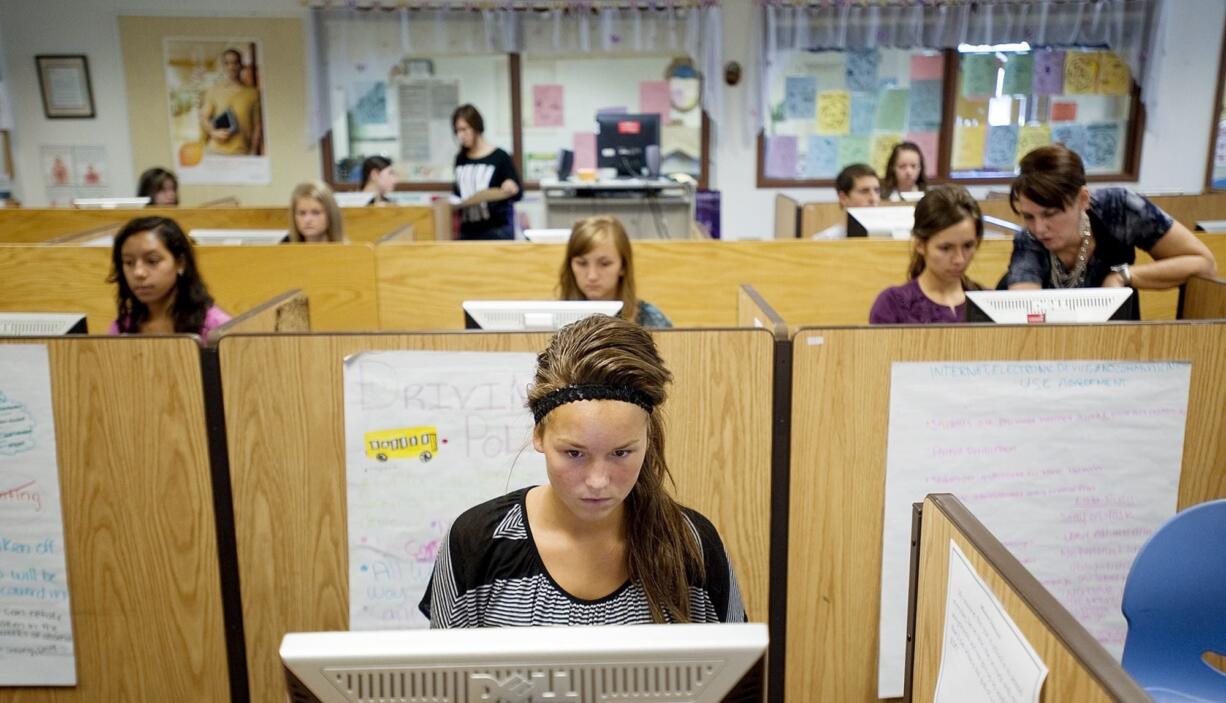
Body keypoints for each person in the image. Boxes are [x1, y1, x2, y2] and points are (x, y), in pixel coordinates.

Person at [419, 314, 746, 627]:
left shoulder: (692, 545)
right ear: (539, 435)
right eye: (574, 453)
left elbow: (740, 679)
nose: (598, 481)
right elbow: (444, 680)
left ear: (648, 440)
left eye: (621, 453)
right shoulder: (476, 543)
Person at [1004, 144, 1216, 292]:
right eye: (1029, 217)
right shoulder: (1028, 239)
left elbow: (1203, 264)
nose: (1039, 228)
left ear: (1083, 199)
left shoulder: (1119, 208)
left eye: (1051, 214)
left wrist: (1122, 276)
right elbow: (1023, 305)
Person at [869, 185, 984, 324]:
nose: (959, 259)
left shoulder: (988, 303)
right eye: (946, 248)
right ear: (920, 245)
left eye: (968, 246)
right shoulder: (892, 305)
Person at [107, 216, 230, 343]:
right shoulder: (122, 328)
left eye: (152, 261)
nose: (138, 272)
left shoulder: (215, 328)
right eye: (129, 262)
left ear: (180, 262)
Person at [558, 215, 672, 328]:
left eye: (605, 264)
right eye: (582, 263)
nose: (592, 276)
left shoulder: (652, 321)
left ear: (623, 266)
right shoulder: (553, 318)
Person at [451, 104, 522, 240]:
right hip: (467, 231)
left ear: (476, 127)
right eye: (457, 131)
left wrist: (510, 185)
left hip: (496, 231)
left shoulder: (500, 156)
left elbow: (518, 193)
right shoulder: (460, 158)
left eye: (464, 129)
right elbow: (457, 192)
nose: (461, 135)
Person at [199, 48, 263, 156]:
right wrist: (213, 132)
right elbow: (204, 118)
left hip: (242, 152)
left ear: (241, 65)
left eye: (235, 63)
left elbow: (257, 126)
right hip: (216, 151)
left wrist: (253, 151)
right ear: (223, 67)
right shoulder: (213, 91)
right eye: (227, 63)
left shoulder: (253, 93)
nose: (231, 67)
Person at [813, 163, 881, 239]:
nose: (874, 199)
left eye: (877, 191)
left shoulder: (891, 238)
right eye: (864, 191)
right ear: (843, 198)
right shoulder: (823, 241)